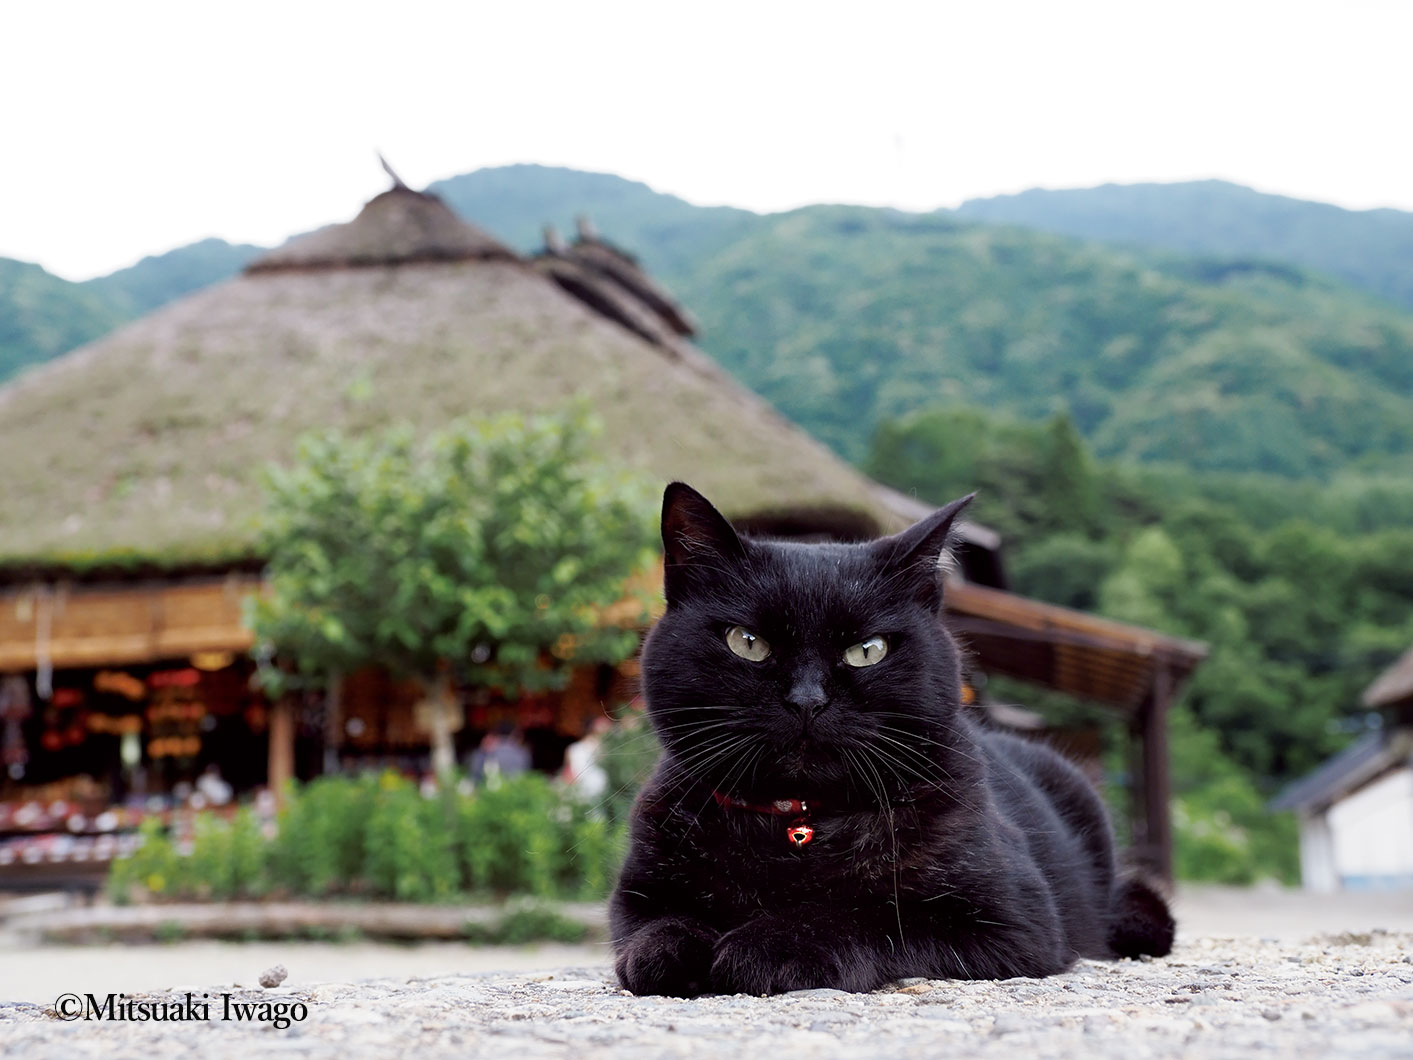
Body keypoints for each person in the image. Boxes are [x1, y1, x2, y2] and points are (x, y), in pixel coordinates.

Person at [561, 716, 612, 801]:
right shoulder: (575, 749)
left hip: (601, 794)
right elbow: (568, 774)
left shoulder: (604, 749)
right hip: (583, 794)